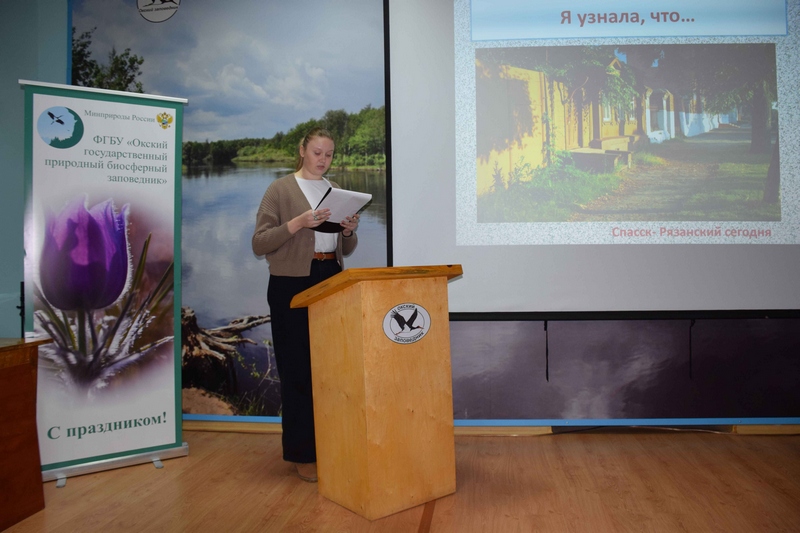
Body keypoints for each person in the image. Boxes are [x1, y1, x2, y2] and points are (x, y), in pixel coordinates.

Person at [251, 128, 359, 483]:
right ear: (302, 150)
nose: (323, 159)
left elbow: (348, 246)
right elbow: (259, 243)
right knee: (297, 370)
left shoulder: (336, 189)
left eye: (328, 153)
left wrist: (347, 231)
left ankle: (331, 445)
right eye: (316, 152)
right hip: (290, 284)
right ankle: (302, 453)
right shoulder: (280, 189)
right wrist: (297, 223)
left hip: (330, 275)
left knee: (330, 368)